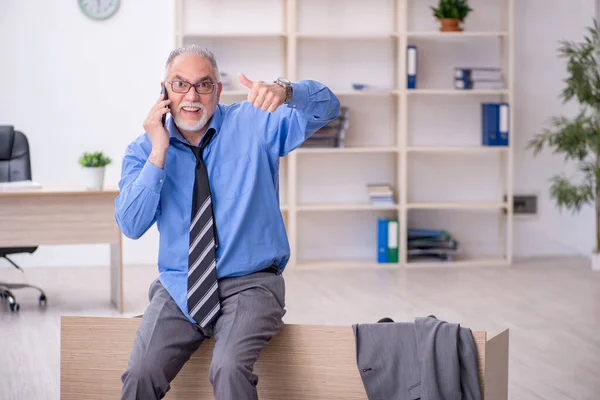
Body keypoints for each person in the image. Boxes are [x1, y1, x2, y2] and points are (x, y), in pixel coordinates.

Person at [114, 44, 340, 400]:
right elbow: (130, 225)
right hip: (179, 287)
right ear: (163, 91)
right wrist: (158, 152)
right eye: (179, 84)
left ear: (217, 91)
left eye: (204, 85)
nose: (191, 96)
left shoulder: (253, 123)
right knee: (141, 373)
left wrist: (288, 90)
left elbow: (329, 107)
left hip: (251, 284)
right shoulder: (142, 150)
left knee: (228, 367)